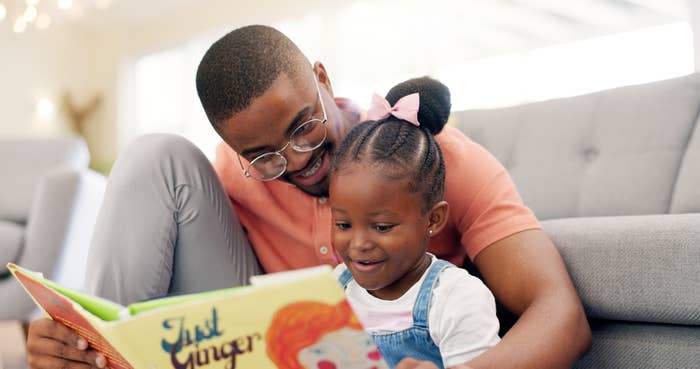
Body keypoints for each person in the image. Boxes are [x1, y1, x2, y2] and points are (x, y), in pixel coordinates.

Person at [25, 25, 590, 369]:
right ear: (237, 149)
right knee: (154, 155)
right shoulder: (234, 172)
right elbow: (155, 254)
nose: (295, 161)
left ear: (322, 76)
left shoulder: (433, 160)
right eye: (265, 156)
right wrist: (72, 336)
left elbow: (559, 314)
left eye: (303, 127)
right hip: (264, 341)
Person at [329, 77, 500, 369]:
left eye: (382, 227)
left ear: (433, 219)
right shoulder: (334, 288)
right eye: (343, 225)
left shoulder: (455, 299)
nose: (358, 244)